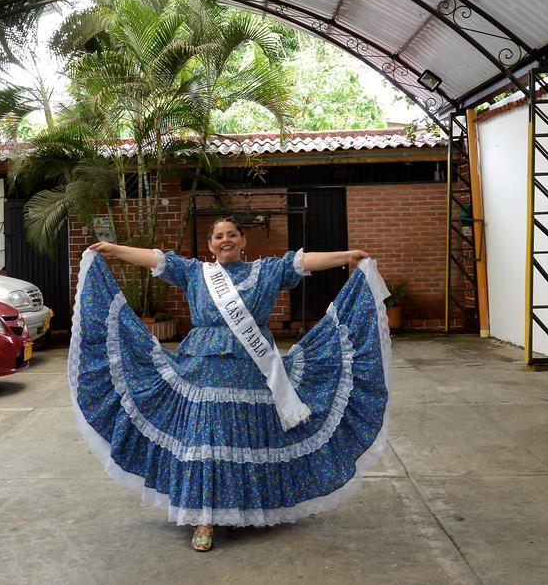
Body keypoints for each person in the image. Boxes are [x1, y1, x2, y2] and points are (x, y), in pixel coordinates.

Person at [68, 217, 391, 552]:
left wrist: (347, 255)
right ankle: (204, 517)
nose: (225, 240)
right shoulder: (195, 272)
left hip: (254, 372)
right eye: (219, 236)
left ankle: (247, 507)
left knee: (246, 439)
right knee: (206, 440)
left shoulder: (266, 272)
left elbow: (303, 261)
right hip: (201, 369)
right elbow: (155, 258)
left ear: (242, 241)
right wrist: (113, 250)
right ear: (210, 245)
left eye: (232, 235)